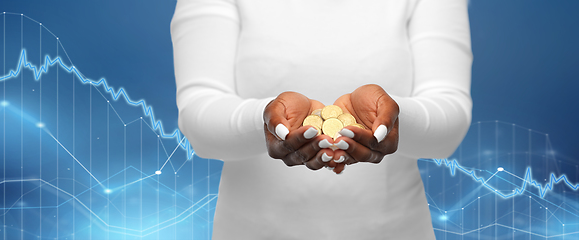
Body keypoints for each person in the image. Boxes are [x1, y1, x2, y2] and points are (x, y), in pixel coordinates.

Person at [171, 0, 472, 238]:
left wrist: (394, 117)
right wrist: (264, 119)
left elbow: (449, 123)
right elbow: (200, 117)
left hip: (397, 231)